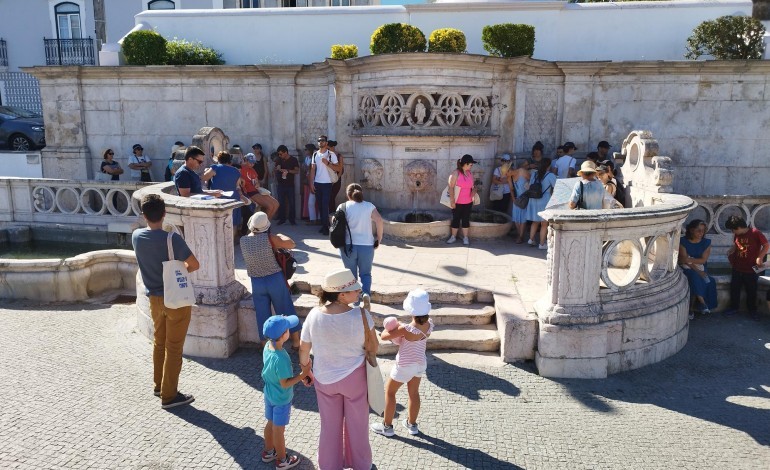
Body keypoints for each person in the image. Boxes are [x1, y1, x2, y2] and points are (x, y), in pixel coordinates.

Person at [298, 269, 375, 470]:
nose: (358, 291)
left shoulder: (314, 315)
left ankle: (329, 465)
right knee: (358, 425)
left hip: (324, 379)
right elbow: (373, 347)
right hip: (354, 379)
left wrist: (306, 371)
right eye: (354, 289)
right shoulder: (362, 315)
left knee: (329, 427)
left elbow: (304, 348)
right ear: (342, 295)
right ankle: (360, 464)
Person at [132, 194, 200, 409]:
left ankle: (159, 385)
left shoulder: (136, 237)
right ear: (164, 214)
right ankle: (169, 396)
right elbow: (194, 264)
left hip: (154, 298)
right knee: (174, 347)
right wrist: (178, 275)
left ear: (143, 215)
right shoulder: (172, 239)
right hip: (175, 300)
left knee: (159, 342)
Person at [370, 289, 434, 438]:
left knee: (390, 392)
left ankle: (387, 427)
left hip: (404, 366)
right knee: (414, 393)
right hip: (420, 364)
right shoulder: (429, 325)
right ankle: (412, 425)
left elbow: (385, 336)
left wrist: (394, 325)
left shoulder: (405, 329)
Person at [240, 212, 301, 347]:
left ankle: (266, 347)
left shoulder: (243, 240)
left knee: (262, 315)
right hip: (275, 279)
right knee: (286, 309)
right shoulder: (270, 239)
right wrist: (279, 236)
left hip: (256, 282)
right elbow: (291, 244)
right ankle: (296, 342)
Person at [260, 315, 311, 470]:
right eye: (288, 329)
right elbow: (285, 383)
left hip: (269, 393)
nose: (290, 330)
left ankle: (268, 452)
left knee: (270, 423)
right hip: (281, 398)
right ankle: (282, 460)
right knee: (279, 430)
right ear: (283, 335)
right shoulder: (281, 357)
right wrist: (303, 375)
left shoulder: (267, 346)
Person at [335, 183, 384, 296]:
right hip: (366, 246)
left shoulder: (343, 207)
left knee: (351, 275)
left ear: (348, 194)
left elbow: (334, 222)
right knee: (366, 274)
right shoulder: (369, 206)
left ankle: (354, 298)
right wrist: (379, 239)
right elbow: (379, 220)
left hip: (348, 246)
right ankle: (366, 294)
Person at [724, 215, 769, 320]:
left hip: (751, 270)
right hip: (737, 267)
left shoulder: (755, 233)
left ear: (738, 227)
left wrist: (760, 258)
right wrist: (732, 249)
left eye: (733, 230)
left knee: (751, 291)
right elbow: (736, 244)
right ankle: (734, 307)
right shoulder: (737, 235)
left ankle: (752, 310)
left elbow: (766, 245)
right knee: (734, 289)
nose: (732, 232)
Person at [679, 219, 718, 320]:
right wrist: (697, 269)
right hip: (687, 269)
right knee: (694, 277)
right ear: (691, 230)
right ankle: (701, 304)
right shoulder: (683, 241)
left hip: (701, 268)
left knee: (709, 281)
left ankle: (693, 308)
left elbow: (703, 260)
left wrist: (690, 259)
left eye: (703, 230)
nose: (701, 233)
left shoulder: (706, 242)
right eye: (698, 230)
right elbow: (683, 260)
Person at [203, 151, 243, 239]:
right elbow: (237, 186)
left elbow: (203, 178)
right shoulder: (236, 171)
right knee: (233, 223)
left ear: (218, 159)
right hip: (234, 199)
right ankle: (230, 243)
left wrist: (205, 171)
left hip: (219, 199)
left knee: (218, 223)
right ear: (229, 160)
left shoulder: (215, 168)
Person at [309, 135, 341, 236]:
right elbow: (313, 170)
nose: (320, 142)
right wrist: (311, 183)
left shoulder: (331, 155)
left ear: (326, 143)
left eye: (322, 140)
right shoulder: (315, 155)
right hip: (317, 183)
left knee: (325, 205)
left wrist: (327, 163)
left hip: (327, 184)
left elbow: (338, 168)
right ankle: (324, 226)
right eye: (319, 140)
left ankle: (326, 227)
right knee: (320, 206)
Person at [447, 154, 478, 246]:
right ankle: (453, 237)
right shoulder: (455, 173)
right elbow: (451, 188)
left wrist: (474, 190)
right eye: (471, 164)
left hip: (468, 202)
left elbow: (472, 187)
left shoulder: (470, 173)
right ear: (465, 163)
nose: (471, 165)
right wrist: (452, 201)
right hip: (457, 202)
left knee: (465, 219)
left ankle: (465, 238)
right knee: (456, 219)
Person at [526, 158, 557, 250]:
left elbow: (531, 184)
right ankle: (542, 244)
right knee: (544, 223)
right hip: (544, 199)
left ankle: (531, 240)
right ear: (548, 165)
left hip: (534, 199)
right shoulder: (550, 175)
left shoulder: (534, 174)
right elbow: (556, 186)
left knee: (535, 221)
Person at [274, 145, 300, 225]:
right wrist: (278, 169)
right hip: (281, 184)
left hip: (290, 184)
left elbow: (297, 171)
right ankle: (282, 219)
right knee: (281, 202)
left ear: (286, 152)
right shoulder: (279, 159)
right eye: (279, 154)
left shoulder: (293, 160)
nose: (280, 155)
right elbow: (277, 167)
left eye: (281, 154)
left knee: (292, 202)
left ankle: (292, 219)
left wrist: (288, 171)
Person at [510, 160, 529, 244]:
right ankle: (520, 235)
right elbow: (511, 188)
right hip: (517, 199)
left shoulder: (522, 171)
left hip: (524, 198)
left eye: (506, 173)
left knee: (522, 218)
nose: (505, 175)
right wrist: (513, 199)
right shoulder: (509, 176)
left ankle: (520, 236)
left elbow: (532, 180)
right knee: (516, 218)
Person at [301, 143, 319, 225]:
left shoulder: (315, 158)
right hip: (309, 181)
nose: (305, 151)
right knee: (311, 202)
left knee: (315, 202)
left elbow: (313, 169)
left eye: (306, 149)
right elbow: (305, 169)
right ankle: (313, 219)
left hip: (315, 181)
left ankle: (317, 219)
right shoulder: (307, 158)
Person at [327, 140, 345, 214]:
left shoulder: (339, 156)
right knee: (329, 198)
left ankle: (332, 215)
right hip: (328, 179)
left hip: (336, 180)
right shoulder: (327, 155)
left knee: (331, 197)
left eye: (328, 148)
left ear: (333, 147)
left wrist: (335, 180)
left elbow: (341, 170)